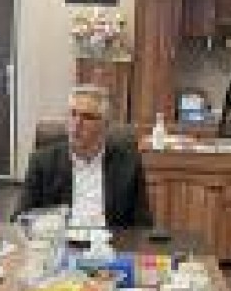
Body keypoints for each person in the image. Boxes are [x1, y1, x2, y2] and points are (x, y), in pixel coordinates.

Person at [17, 85, 153, 228]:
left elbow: (143, 224)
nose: (77, 123)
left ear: (105, 125)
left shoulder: (128, 164)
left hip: (110, 239)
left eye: (87, 117)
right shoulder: (42, 162)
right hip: (60, 239)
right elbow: (20, 218)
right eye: (73, 114)